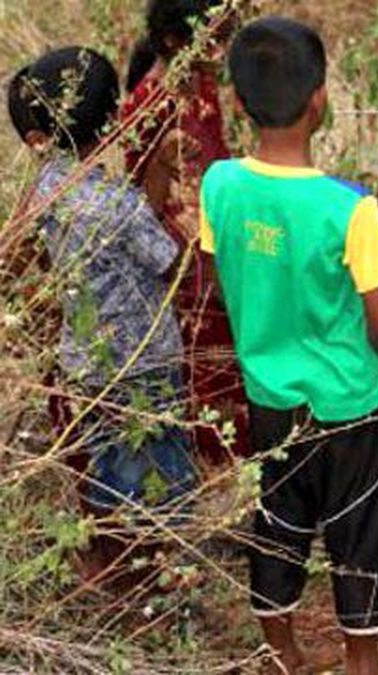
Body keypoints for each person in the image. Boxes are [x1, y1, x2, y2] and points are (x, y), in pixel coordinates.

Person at [199, 17, 378, 675]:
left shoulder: (220, 185)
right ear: (320, 99)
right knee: (357, 531)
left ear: (237, 101)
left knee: (279, 518)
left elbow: (217, 274)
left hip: (269, 394)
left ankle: (282, 650)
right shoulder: (349, 208)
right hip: (349, 402)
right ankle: (363, 660)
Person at [7, 47, 196, 583]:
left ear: (36, 138)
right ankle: (152, 582)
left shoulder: (45, 189)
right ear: (113, 118)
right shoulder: (117, 204)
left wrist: (156, 168)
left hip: (86, 362)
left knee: (110, 466)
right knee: (160, 478)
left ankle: (111, 562)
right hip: (142, 364)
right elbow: (168, 261)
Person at [122, 0, 250, 463]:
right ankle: (215, 472)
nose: (219, 53)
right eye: (210, 40)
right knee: (204, 370)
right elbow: (143, 198)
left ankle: (236, 467)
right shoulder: (149, 101)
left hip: (214, 242)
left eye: (224, 39)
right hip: (182, 260)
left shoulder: (200, 81)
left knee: (229, 365)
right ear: (177, 41)